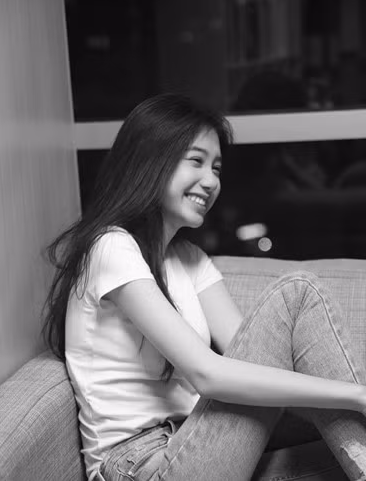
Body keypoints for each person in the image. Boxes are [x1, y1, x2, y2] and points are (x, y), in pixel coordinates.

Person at [42, 93, 366, 481]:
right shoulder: (110, 247)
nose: (211, 181)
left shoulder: (190, 259)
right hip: (141, 465)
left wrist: (337, 402)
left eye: (216, 168)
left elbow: (255, 365)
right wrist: (355, 395)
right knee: (298, 292)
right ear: (151, 161)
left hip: (198, 442)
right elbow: (208, 374)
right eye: (196, 161)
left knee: (334, 447)